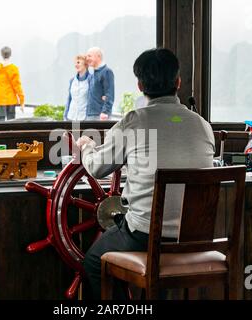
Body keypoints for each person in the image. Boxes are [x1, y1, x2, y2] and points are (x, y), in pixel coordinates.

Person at [76, 48, 216, 299]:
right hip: (194, 239)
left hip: (144, 236)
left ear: (140, 86)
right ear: (178, 82)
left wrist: (87, 146)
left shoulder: (134, 121)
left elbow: (97, 168)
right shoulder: (203, 126)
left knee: (94, 263)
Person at [0, 46, 25, 122]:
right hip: (11, 100)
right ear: (10, 54)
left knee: (0, 124)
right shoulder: (14, 68)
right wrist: (21, 101)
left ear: (1, 54)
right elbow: (17, 86)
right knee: (11, 123)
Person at [86, 47, 115, 120]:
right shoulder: (92, 74)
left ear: (98, 56)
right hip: (90, 115)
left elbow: (109, 94)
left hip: (100, 116)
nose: (87, 58)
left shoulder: (106, 71)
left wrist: (105, 112)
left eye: (89, 56)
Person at [64, 55, 90, 121]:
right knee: (73, 131)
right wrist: (65, 115)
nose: (76, 65)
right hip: (71, 117)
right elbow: (69, 99)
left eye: (78, 62)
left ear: (85, 64)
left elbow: (92, 101)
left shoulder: (91, 80)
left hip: (84, 118)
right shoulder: (72, 80)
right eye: (75, 63)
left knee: (82, 132)